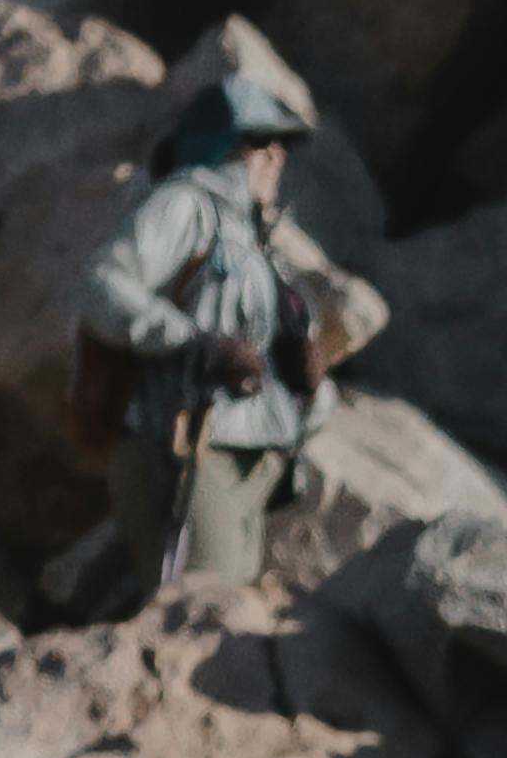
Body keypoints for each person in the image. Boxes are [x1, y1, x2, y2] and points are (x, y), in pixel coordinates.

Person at [75, 42, 340, 593]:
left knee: (222, 627)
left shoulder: (264, 250)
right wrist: (194, 343)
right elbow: (103, 287)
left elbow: (284, 386)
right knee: (198, 618)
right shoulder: (184, 205)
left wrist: (315, 388)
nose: (277, 157)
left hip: (254, 468)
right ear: (230, 147)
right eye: (264, 141)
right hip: (187, 453)